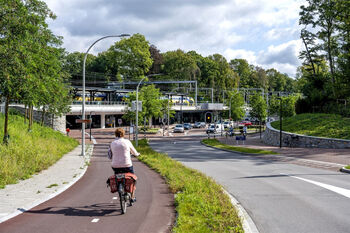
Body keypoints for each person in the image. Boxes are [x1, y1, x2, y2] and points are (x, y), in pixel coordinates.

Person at [108, 128, 140, 202]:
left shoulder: (112, 143)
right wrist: (137, 154)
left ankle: (120, 188)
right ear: (123, 134)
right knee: (133, 179)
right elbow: (134, 152)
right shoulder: (127, 142)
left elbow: (109, 156)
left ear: (115, 134)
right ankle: (132, 197)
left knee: (117, 176)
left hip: (115, 166)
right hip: (127, 165)